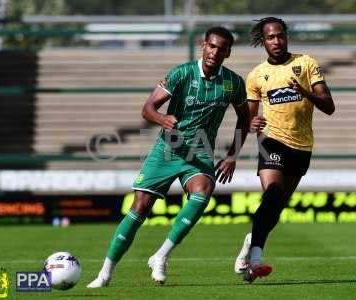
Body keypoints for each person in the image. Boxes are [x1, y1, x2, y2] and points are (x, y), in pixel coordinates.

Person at [87, 26, 250, 288]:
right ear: (203, 45)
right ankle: (105, 274)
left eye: (221, 48)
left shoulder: (233, 82)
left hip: (199, 152)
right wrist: (162, 118)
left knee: (203, 192)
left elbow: (245, 118)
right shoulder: (181, 73)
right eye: (211, 45)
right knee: (139, 207)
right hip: (167, 149)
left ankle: (160, 256)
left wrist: (232, 156)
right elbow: (148, 108)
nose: (214, 52)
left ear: (228, 52)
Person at [234, 17, 335, 283]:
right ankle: (255, 261)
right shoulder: (256, 75)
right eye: (270, 38)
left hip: (302, 146)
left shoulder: (307, 63)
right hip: (271, 141)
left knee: (275, 208)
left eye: (280, 36)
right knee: (273, 193)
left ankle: (250, 242)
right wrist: (249, 127)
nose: (276, 41)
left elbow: (328, 105)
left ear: (286, 36)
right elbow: (249, 119)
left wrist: (305, 92)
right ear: (263, 41)